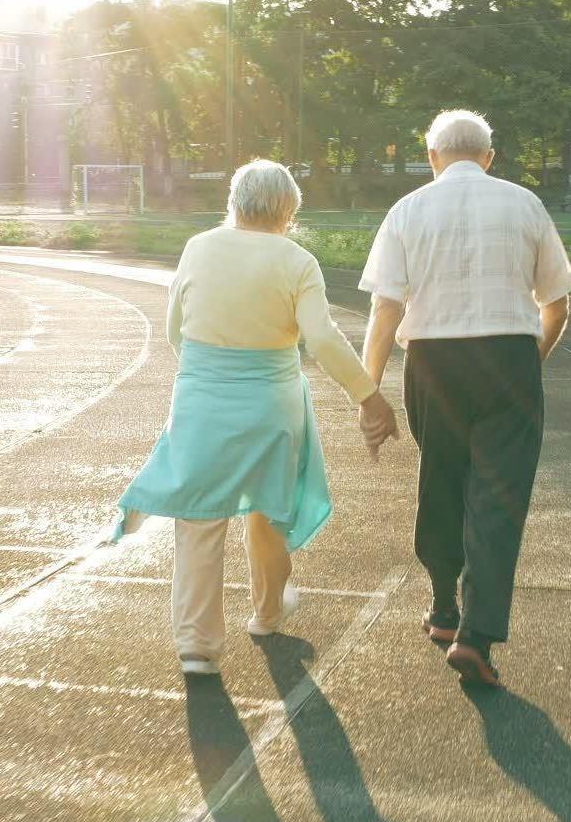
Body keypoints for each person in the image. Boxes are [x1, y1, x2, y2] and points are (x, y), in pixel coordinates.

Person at [117, 159, 398, 676]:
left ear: (234, 202)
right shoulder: (297, 261)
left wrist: (211, 371)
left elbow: (175, 330)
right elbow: (322, 338)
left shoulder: (199, 248)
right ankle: (268, 614)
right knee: (268, 511)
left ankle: (197, 645)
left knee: (199, 515)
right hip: (273, 402)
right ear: (289, 209)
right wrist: (369, 396)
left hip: (202, 400)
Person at [357, 110, 571, 687]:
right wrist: (529, 365)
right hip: (509, 358)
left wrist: (367, 389)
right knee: (498, 498)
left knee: (442, 477)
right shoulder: (525, 204)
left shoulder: (407, 210)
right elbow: (557, 306)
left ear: (431, 158)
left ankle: (443, 605)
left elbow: (386, 309)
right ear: (489, 157)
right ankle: (477, 637)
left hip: (433, 362)